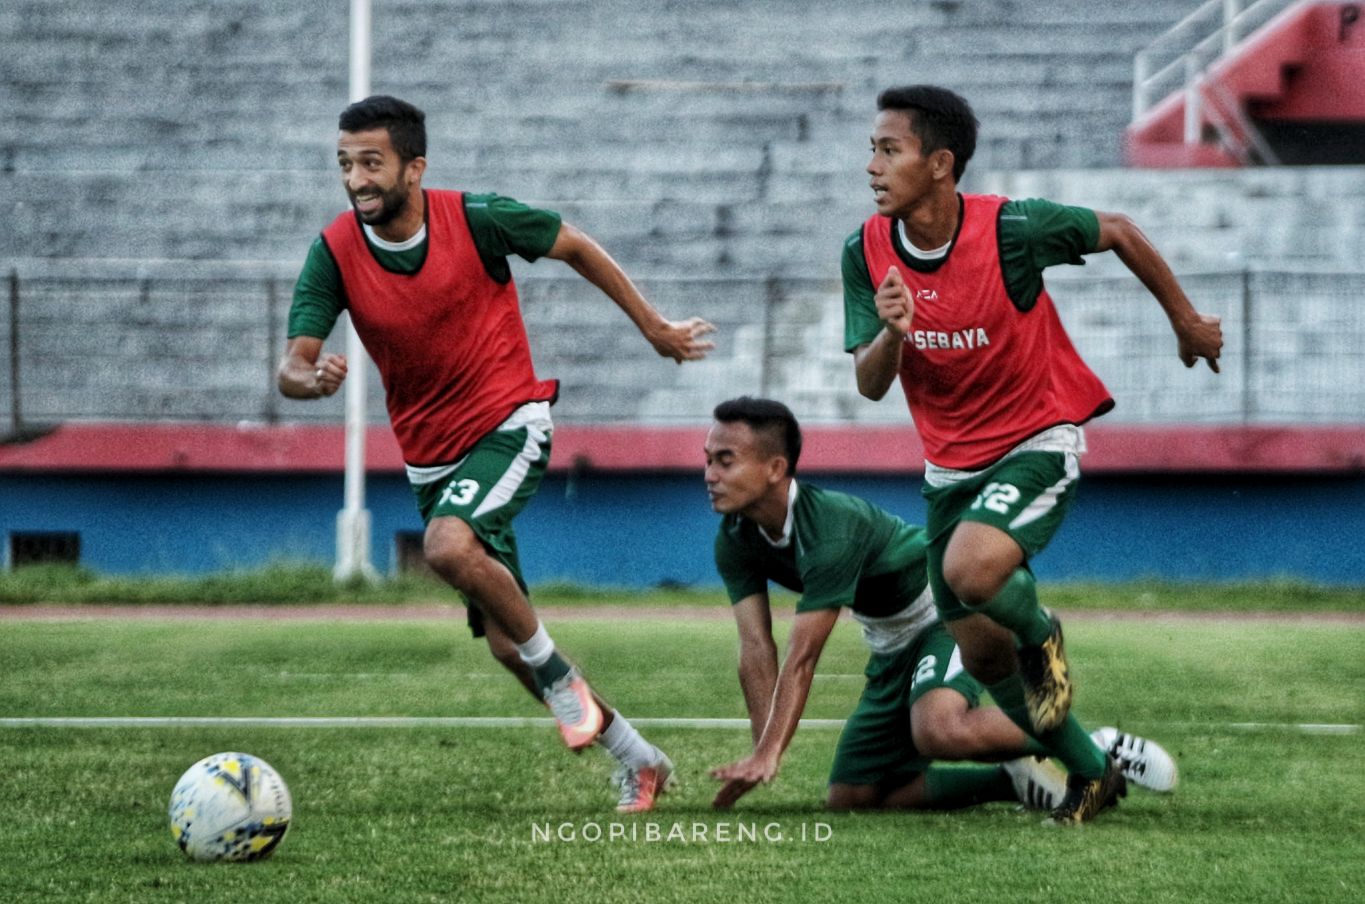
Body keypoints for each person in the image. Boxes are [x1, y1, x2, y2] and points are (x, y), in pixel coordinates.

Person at [278, 95, 715, 812]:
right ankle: (640, 759)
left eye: (371, 163)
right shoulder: (334, 251)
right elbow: (291, 365)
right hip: (431, 460)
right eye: (344, 164)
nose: (355, 178)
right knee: (510, 648)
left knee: (448, 547)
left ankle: (561, 680)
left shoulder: (477, 218)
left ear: (413, 168)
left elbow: (572, 243)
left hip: (509, 421)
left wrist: (654, 327)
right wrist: (310, 376)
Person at [842, 85, 1220, 823]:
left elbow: (1117, 229)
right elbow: (868, 384)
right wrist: (891, 331)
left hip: (1035, 441)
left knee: (970, 571)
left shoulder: (1011, 229)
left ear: (941, 163)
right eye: (872, 149)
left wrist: (1185, 322)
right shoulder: (865, 250)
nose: (872, 165)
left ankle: (1039, 627)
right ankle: (1090, 774)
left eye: (889, 149)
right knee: (986, 661)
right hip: (948, 472)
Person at [704, 397, 1177, 816]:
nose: (710, 475)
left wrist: (771, 753)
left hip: (943, 616)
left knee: (938, 730)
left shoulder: (830, 529)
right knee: (854, 797)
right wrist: (758, 748)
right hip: (890, 644)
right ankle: (1010, 779)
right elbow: (755, 648)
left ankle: (1094, 749)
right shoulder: (734, 540)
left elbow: (802, 657)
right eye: (708, 461)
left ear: (775, 468)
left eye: (726, 461)